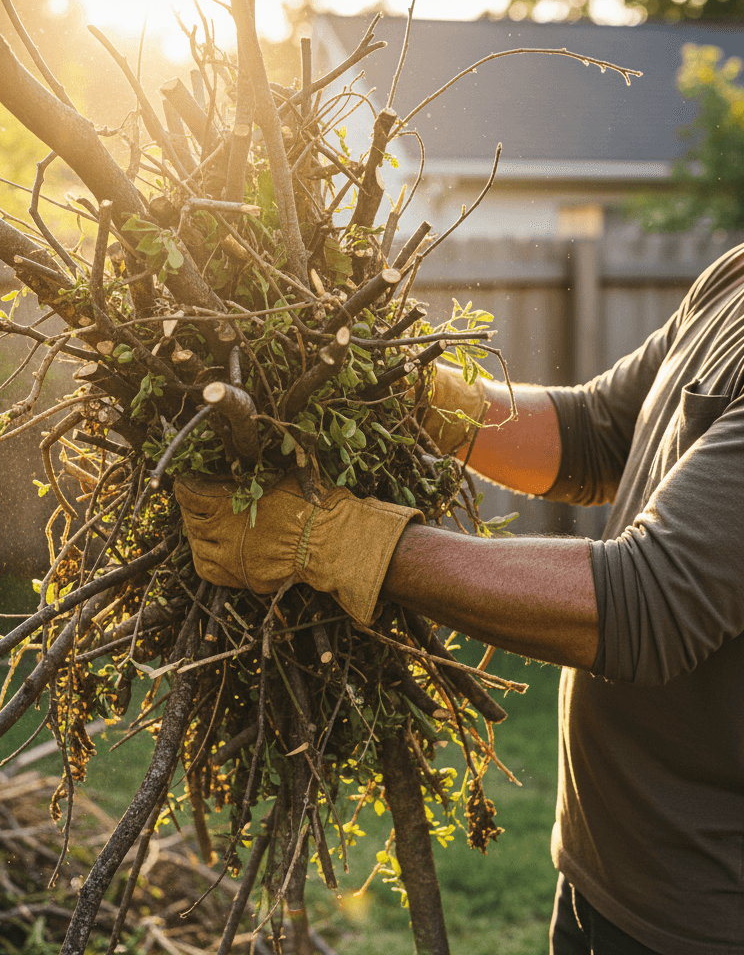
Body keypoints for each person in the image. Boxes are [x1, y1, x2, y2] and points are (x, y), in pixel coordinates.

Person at [174, 242, 744, 955]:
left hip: (706, 916)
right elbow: (596, 434)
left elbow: (648, 599)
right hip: (610, 873)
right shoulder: (736, 278)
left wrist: (340, 543)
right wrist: (424, 397)